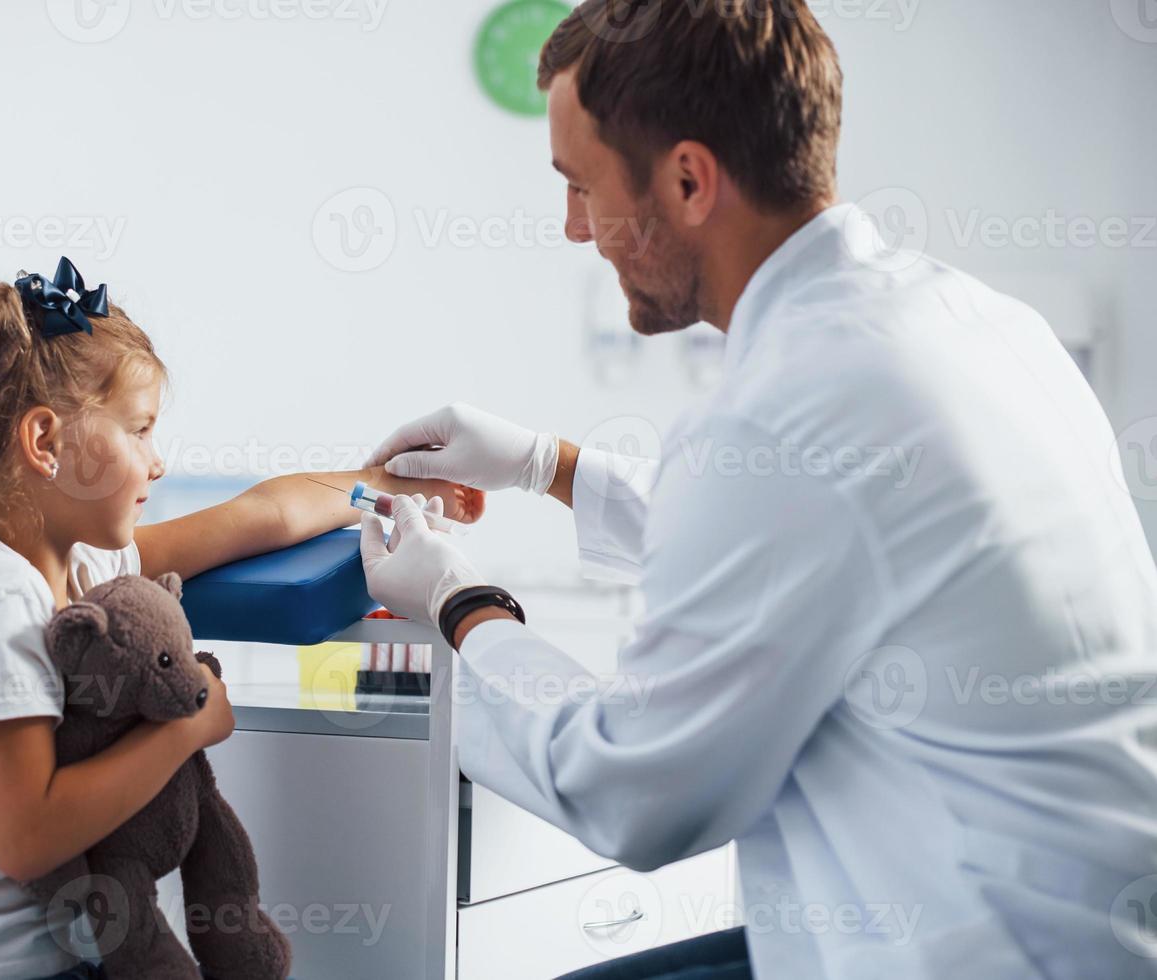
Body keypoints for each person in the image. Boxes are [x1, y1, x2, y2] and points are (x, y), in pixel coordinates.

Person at [359, 2, 1157, 978]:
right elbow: (825, 538)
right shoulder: (971, 321)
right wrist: (547, 464)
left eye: (581, 187)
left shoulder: (783, 412)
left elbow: (625, 790)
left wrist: (460, 603)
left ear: (689, 180)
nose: (575, 229)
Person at [0, 258, 480, 980]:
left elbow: (258, 514)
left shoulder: (82, 568)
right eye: (138, 430)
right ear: (44, 444)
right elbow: (28, 838)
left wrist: (389, 488)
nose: (156, 462)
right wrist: (186, 729)